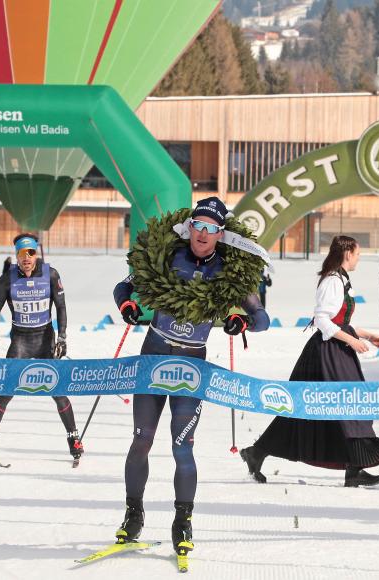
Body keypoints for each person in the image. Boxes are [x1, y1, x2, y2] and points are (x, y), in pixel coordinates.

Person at [112, 197, 269, 558]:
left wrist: (241, 320)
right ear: (189, 227)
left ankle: (182, 521)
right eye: (199, 224)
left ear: (221, 234)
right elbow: (124, 287)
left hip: (190, 369)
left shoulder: (231, 270)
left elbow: (262, 319)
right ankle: (133, 514)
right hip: (153, 358)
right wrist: (128, 306)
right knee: (141, 441)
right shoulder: (170, 257)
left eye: (212, 228)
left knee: (182, 447)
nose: (204, 233)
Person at [241, 236, 379, 488]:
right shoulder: (333, 281)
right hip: (327, 354)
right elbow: (323, 321)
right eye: (357, 254)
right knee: (324, 408)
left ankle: (352, 468)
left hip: (336, 349)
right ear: (347, 254)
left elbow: (339, 321)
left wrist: (366, 335)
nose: (358, 258)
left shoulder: (341, 280)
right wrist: (354, 342)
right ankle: (258, 452)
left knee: (334, 409)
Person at [0, 233, 79, 462]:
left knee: (58, 390)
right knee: (7, 390)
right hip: (21, 342)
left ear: (36, 254)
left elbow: (61, 307)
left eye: (31, 253)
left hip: (46, 339)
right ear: (16, 256)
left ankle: (73, 437)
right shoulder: (7, 278)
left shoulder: (50, 274)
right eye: (22, 254)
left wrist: (62, 338)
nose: (26, 258)